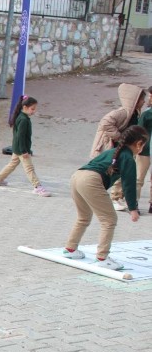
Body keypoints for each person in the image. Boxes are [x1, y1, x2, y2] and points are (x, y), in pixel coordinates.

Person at [62, 125, 147, 271]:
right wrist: (133, 208)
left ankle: (70, 249)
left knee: (84, 217)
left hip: (77, 176)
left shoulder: (114, 151)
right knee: (109, 220)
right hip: (91, 180)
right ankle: (102, 257)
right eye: (143, 145)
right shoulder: (127, 158)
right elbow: (129, 184)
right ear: (139, 144)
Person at [88, 83, 144, 211]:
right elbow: (105, 123)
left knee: (120, 172)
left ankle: (117, 197)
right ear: (135, 99)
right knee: (114, 172)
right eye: (141, 99)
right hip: (115, 146)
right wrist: (119, 136)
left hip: (123, 148)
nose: (143, 102)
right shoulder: (123, 112)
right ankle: (114, 198)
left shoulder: (135, 113)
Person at [0, 96, 51, 197]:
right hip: (21, 150)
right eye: (32, 109)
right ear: (25, 107)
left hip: (17, 148)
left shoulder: (22, 117)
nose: (34, 111)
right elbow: (20, 137)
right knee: (29, 168)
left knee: (11, 165)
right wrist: (24, 151)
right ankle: (37, 187)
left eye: (35, 109)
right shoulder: (23, 120)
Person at [135, 88, 152, 212]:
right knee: (139, 178)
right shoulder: (147, 114)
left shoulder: (147, 113)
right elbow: (139, 132)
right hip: (144, 150)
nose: (149, 99)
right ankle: (134, 203)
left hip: (145, 149)